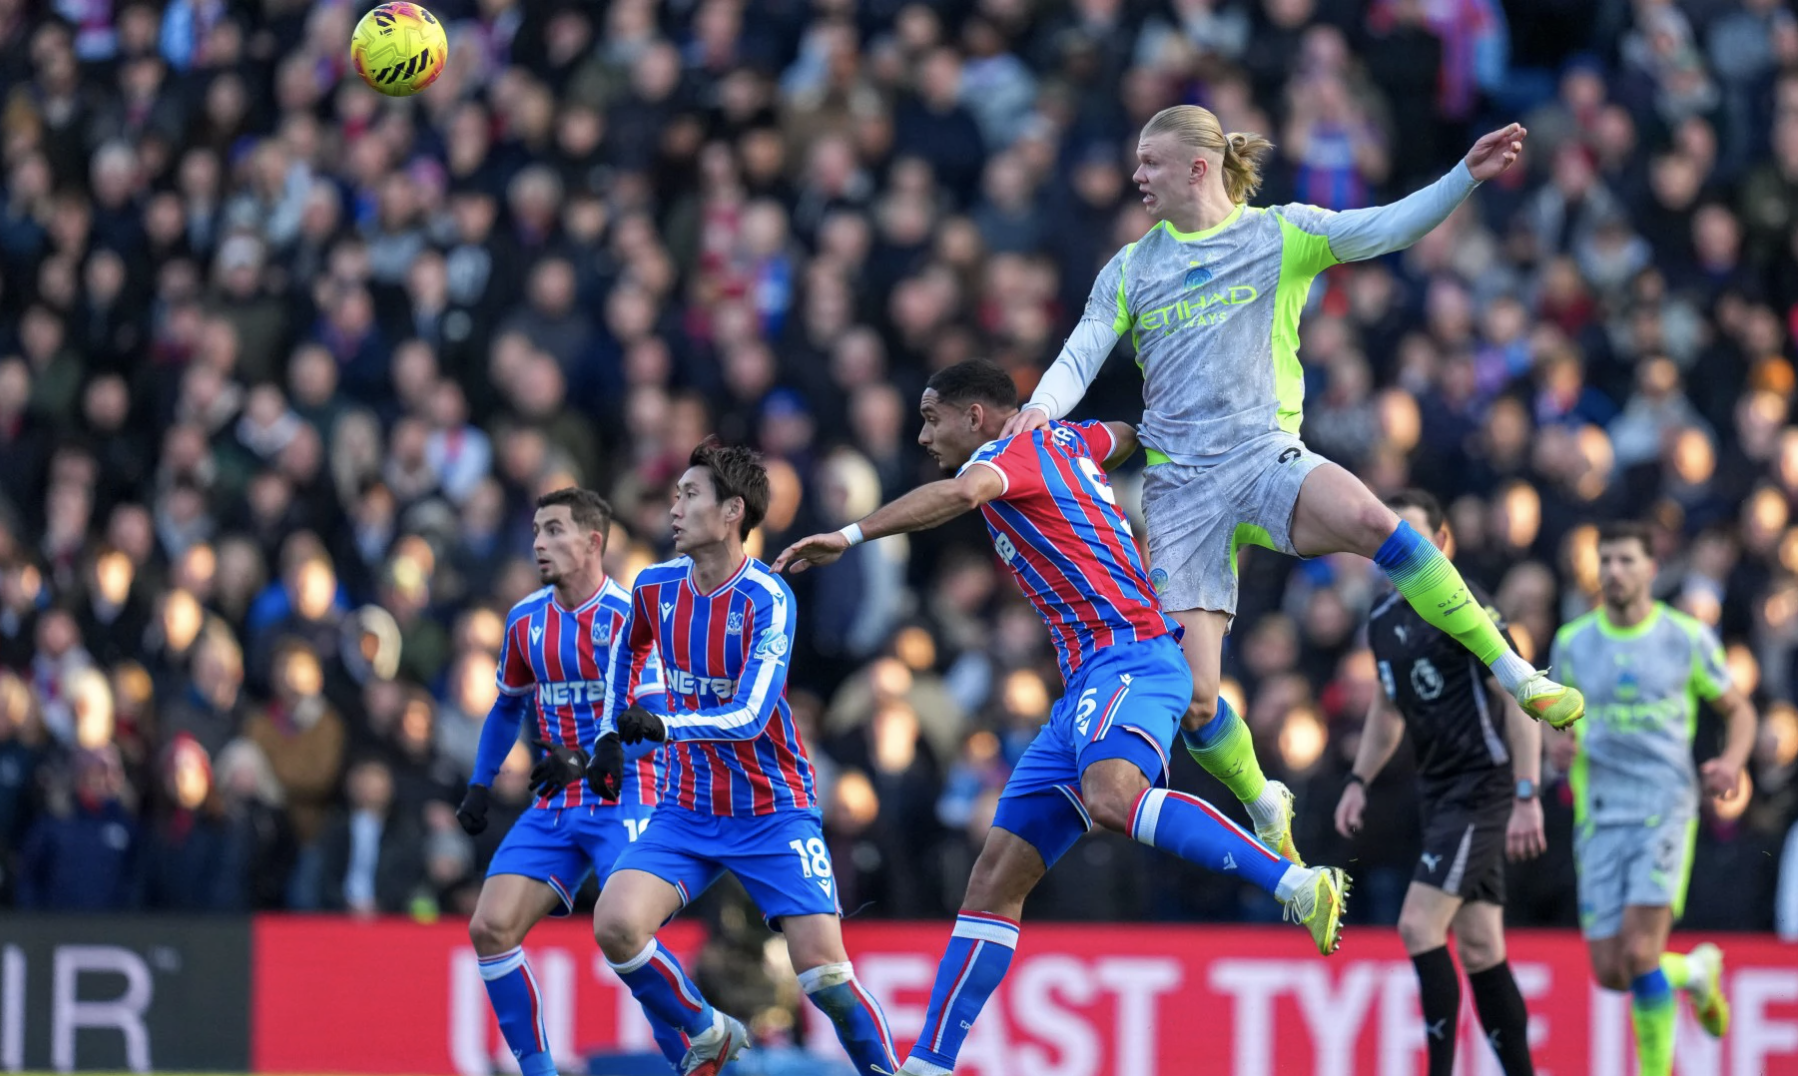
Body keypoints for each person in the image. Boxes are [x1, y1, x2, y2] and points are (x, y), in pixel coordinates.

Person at [1002, 104, 1584, 865]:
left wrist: (1462, 178)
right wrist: (1041, 408)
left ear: (1198, 168)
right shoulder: (1131, 268)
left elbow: (1387, 227)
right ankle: (1263, 801)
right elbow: (1081, 353)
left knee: (1376, 522)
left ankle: (1517, 674)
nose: (1135, 174)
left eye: (1149, 161)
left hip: (1263, 456)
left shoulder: (1280, 234)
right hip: (1182, 494)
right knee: (1197, 701)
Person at [773, 361, 1348, 1076]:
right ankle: (929, 1064)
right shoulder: (1066, 440)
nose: (923, 435)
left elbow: (961, 494)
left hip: (1132, 656)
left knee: (1113, 797)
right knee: (994, 880)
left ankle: (1296, 884)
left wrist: (850, 535)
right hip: (1085, 686)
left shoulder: (1004, 455)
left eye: (931, 418)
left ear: (975, 416)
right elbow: (1123, 435)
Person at [586, 440, 898, 1076]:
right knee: (615, 925)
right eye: (675, 495)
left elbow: (752, 714)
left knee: (827, 981)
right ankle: (710, 1031)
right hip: (688, 808)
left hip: (772, 809)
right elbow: (627, 655)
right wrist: (608, 736)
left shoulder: (767, 597)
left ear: (733, 511)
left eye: (690, 495)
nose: (674, 508)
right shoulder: (654, 586)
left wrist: (663, 724)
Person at [452, 488, 686, 1076]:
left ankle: (697, 1051)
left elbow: (656, 721)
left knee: (625, 932)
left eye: (554, 530)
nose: (539, 543)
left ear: (592, 542)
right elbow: (507, 706)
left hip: (628, 792)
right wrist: (480, 783)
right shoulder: (524, 620)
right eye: (536, 531)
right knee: (490, 927)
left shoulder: (630, 618)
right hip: (558, 799)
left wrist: (583, 759)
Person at [1333, 490, 1543, 1076]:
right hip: (1438, 790)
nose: (1399, 549)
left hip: (1482, 786)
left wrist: (1527, 794)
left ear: (1442, 543)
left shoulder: (1466, 605)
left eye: (1413, 536)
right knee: (1479, 946)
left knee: (1418, 925)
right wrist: (1358, 779)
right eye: (1390, 538)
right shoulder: (1381, 619)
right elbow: (1388, 710)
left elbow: (1518, 693)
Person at [1549, 521, 1753, 1075]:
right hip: (1599, 812)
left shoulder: (1685, 637)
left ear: (1651, 569)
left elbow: (1739, 709)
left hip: (1665, 809)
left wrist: (1732, 761)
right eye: (1606, 560)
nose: (1614, 571)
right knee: (1613, 972)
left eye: (1626, 560)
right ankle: (1695, 971)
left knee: (1640, 952)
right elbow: (1549, 716)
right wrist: (1553, 747)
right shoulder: (1572, 642)